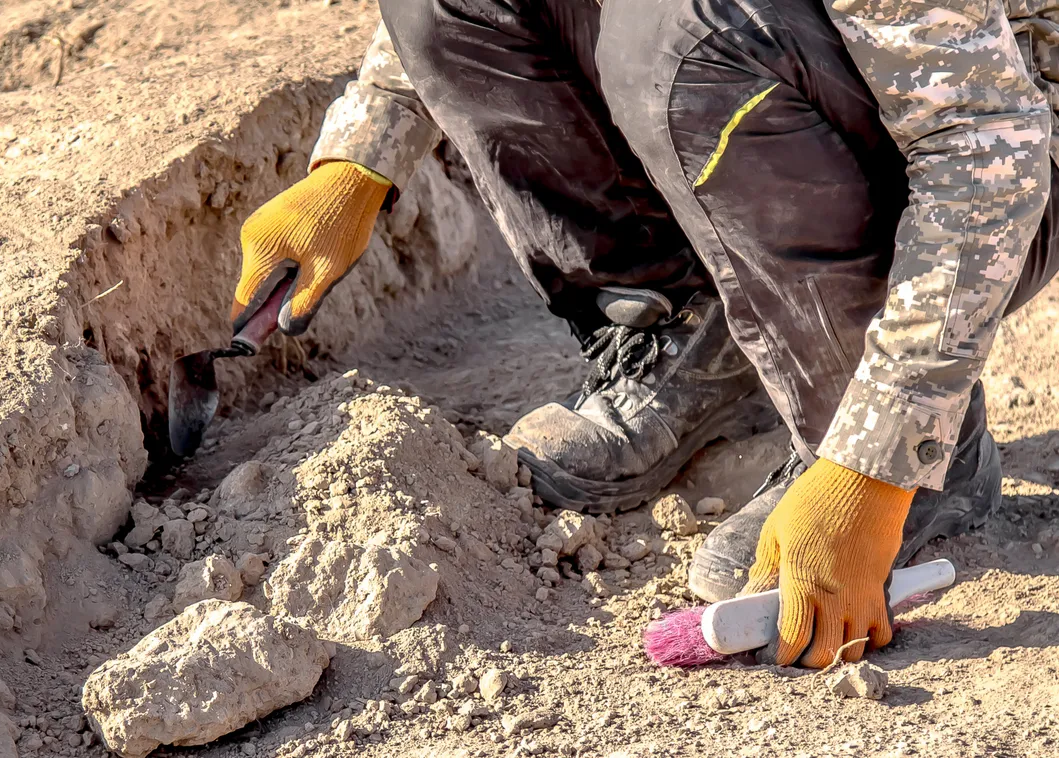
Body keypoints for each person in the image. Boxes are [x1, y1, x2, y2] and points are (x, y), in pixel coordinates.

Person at [227, 0, 1059, 668]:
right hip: (851, 95)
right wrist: (357, 164)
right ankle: (690, 334)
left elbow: (981, 151)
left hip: (1009, 147)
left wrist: (876, 467)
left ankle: (913, 454)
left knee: (688, 41)